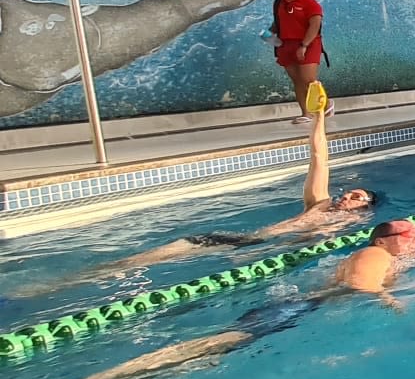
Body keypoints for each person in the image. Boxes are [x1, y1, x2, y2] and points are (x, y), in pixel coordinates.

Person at [0, 219, 415, 379]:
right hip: (297, 311)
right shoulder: (374, 253)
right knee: (209, 347)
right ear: (388, 239)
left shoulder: (396, 248)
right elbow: (359, 282)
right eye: (410, 232)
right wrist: (389, 299)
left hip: (298, 310)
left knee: (206, 354)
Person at [86, 82, 376, 279]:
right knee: (147, 259)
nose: (346, 197)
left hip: (263, 254)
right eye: (349, 193)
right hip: (245, 241)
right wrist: (318, 118)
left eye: (356, 197)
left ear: (364, 210)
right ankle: (92, 274)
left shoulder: (347, 228)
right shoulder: (319, 204)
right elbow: (318, 157)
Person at [273, 0, 325, 123]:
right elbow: (279, 23)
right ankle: (305, 113)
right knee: (297, 80)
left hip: (307, 43)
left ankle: (326, 105)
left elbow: (314, 25)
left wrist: (304, 45)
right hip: (286, 44)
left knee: (308, 79)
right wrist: (269, 35)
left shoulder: (309, 3)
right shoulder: (279, 2)